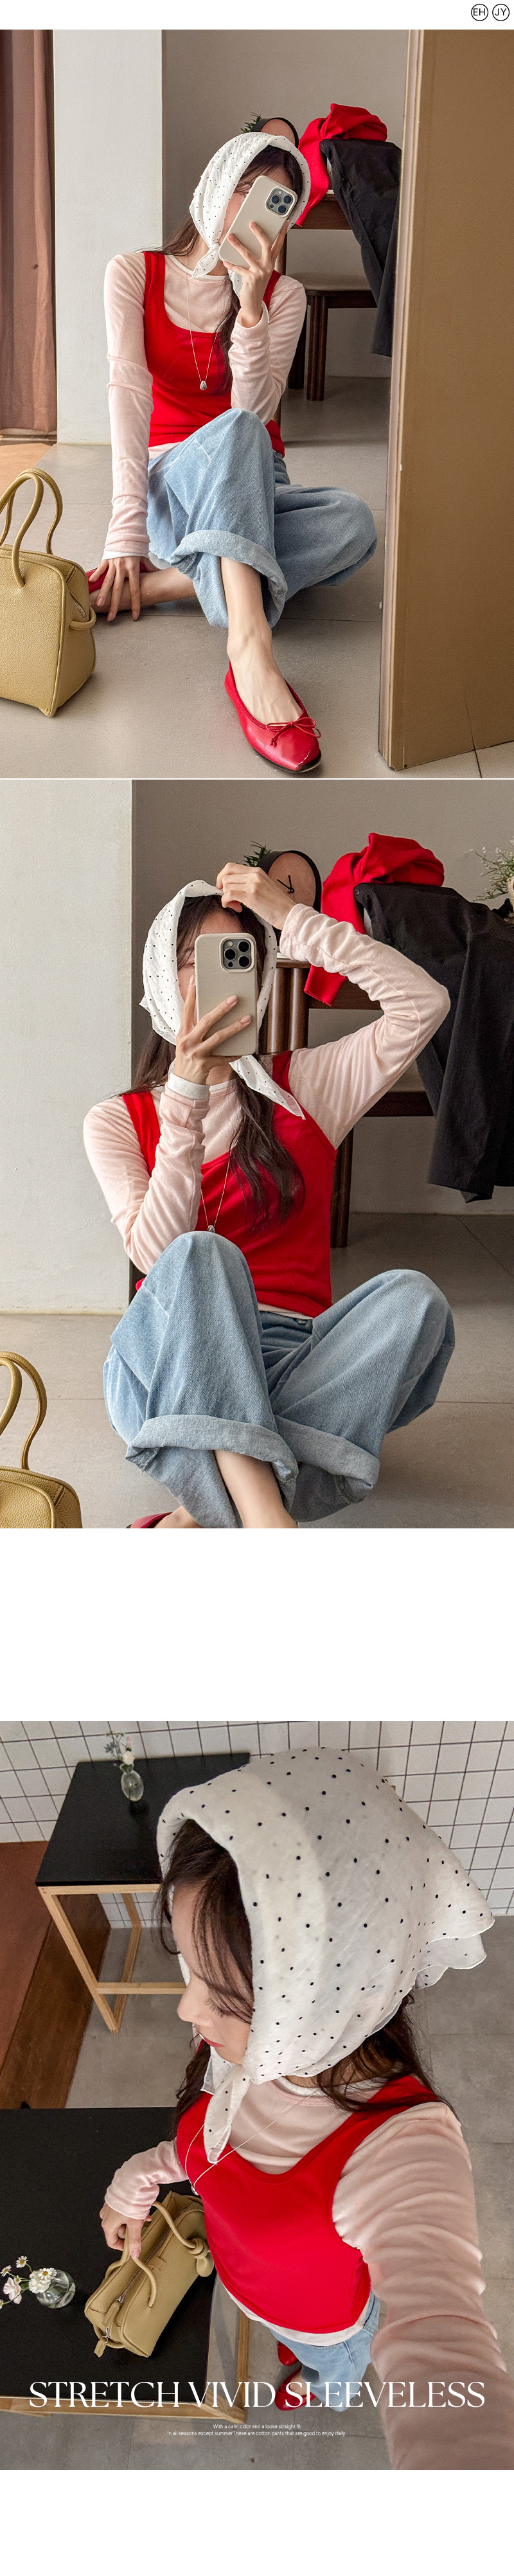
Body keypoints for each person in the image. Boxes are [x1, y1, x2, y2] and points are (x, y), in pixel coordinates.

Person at [97, 1749, 514, 2461]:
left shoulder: (400, 2148)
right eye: (191, 1970)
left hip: (329, 2324)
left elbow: (440, 2340)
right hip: (252, 2292)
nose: (188, 2011)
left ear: (324, 1992)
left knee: (332, 2365)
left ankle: (324, 2384)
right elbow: (200, 2157)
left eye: (223, 1993)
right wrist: (129, 2188)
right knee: (288, 2340)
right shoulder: (245, 2053)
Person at [84, 863, 455, 1531]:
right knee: (200, 1253)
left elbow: (423, 1005)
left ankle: (198, 1511)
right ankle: (267, 1516)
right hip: (165, 1365)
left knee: (415, 1300)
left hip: (294, 1356)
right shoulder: (117, 1119)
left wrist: (292, 920)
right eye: (198, 961)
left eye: (239, 957)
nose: (219, 981)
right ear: (162, 978)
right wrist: (186, 1098)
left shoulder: (305, 1088)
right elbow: (155, 1259)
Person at [87, 120, 378, 772]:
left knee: (354, 524)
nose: (259, 213)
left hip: (256, 480)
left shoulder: (285, 296)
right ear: (215, 185)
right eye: (248, 189)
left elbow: (256, 412)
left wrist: (250, 310)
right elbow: (128, 400)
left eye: (277, 204)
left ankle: (163, 587)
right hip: (177, 484)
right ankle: (250, 653)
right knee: (237, 430)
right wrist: (125, 532)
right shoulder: (132, 272)